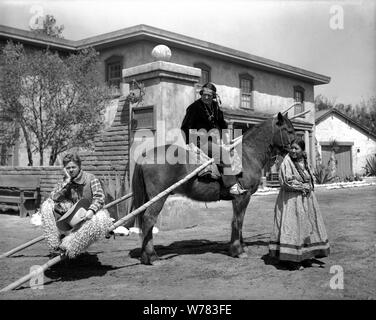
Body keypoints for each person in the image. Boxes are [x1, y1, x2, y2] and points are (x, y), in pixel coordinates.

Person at [268, 139, 330, 270]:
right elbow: (285, 180)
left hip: (306, 200)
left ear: (303, 150)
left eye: (296, 149)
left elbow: (311, 177)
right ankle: (291, 260)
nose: (293, 151)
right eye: (292, 148)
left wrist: (309, 186)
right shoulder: (287, 162)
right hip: (291, 200)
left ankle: (306, 257)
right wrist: (302, 186)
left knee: (307, 227)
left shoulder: (305, 161)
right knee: (292, 227)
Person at [40, 153, 113, 258]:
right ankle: (54, 244)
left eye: (73, 167)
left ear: (79, 166)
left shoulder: (91, 178)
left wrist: (91, 211)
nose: (71, 170)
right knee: (47, 205)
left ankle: (68, 246)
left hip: (91, 215)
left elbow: (100, 197)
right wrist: (66, 183)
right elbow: (54, 197)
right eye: (68, 168)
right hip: (73, 215)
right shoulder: (66, 180)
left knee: (100, 218)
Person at [181, 82, 246, 195]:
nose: (206, 97)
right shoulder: (194, 108)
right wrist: (190, 143)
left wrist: (227, 138)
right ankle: (231, 186)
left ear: (214, 96)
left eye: (209, 95)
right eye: (204, 94)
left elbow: (222, 124)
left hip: (215, 140)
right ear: (201, 94)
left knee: (234, 152)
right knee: (223, 154)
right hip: (200, 141)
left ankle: (234, 180)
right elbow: (186, 126)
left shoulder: (215, 107)